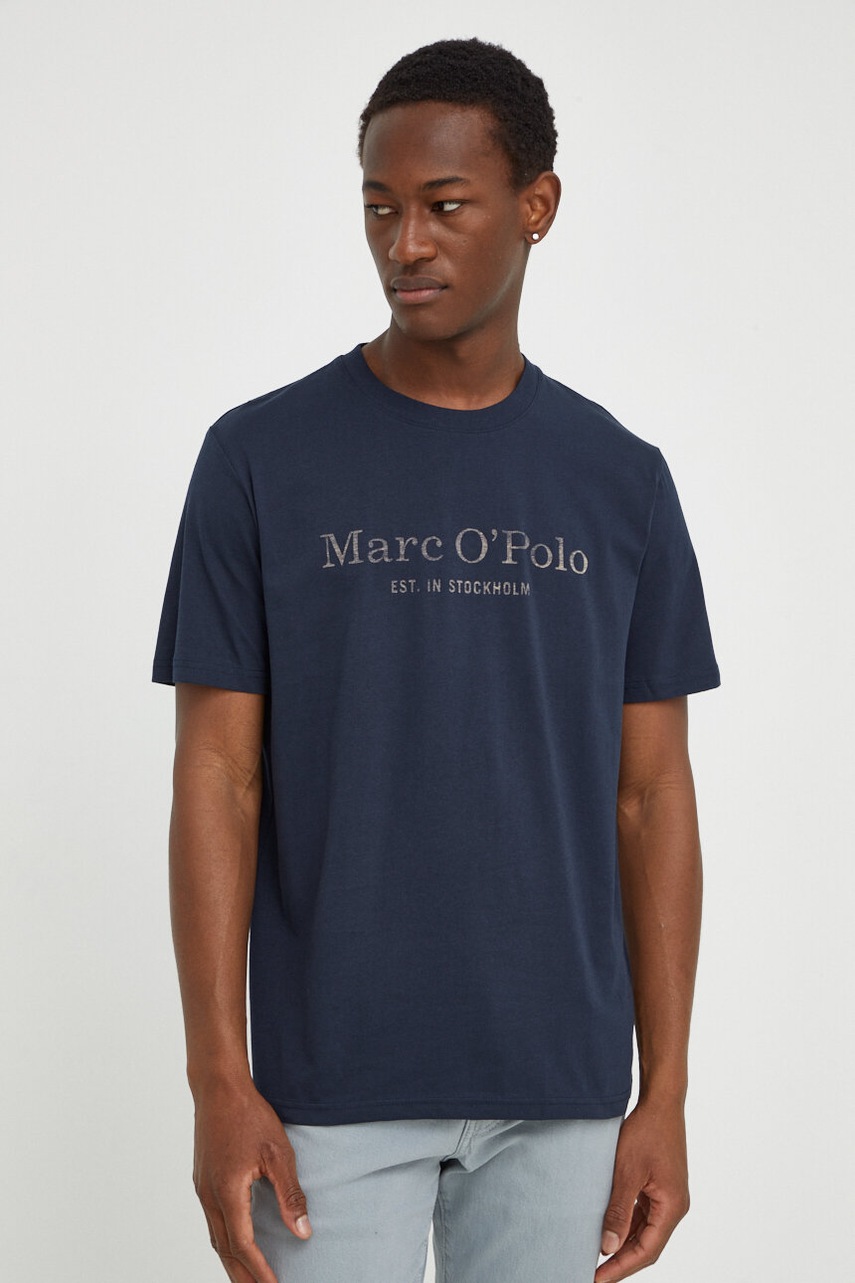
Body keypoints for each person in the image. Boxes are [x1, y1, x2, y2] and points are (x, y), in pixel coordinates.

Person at [153, 37, 720, 1283]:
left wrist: (666, 1092)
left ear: (536, 206)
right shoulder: (258, 459)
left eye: (444, 206)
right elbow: (218, 777)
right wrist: (217, 1080)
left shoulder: (620, 480)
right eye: (380, 207)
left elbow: (651, 794)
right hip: (325, 1090)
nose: (404, 242)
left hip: (561, 1089)